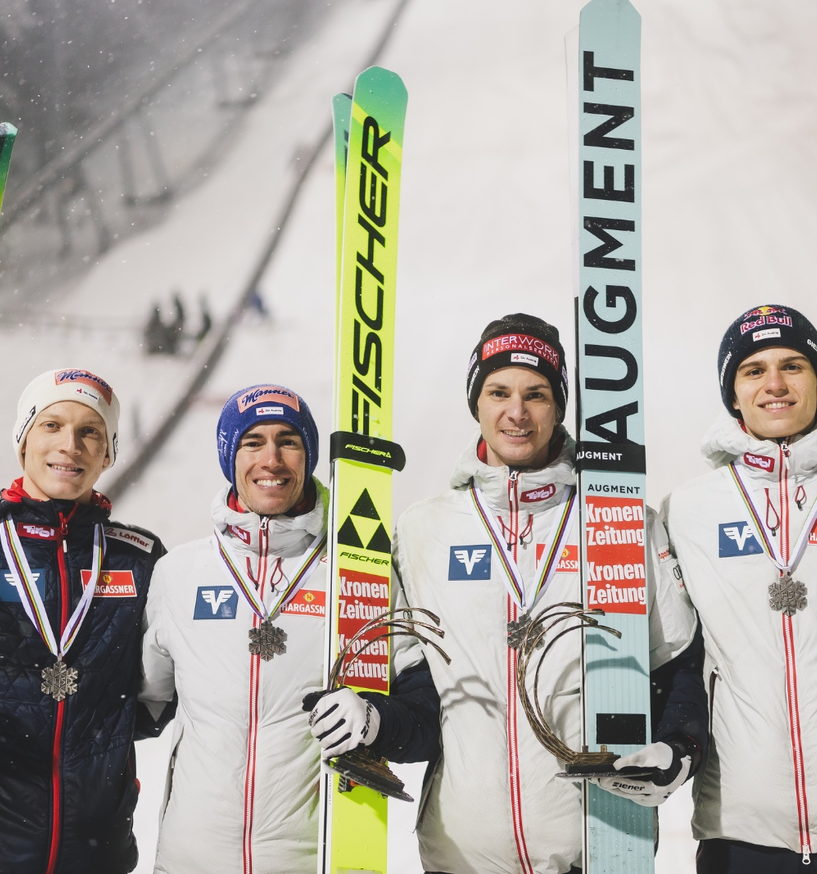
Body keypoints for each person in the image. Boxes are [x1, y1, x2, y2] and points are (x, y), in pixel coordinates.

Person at [307, 314, 707, 874]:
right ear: (476, 403)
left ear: (559, 407)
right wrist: (373, 719)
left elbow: (677, 663)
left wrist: (678, 748)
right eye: (498, 392)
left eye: (535, 394)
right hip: (461, 856)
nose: (516, 413)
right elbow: (425, 704)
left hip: (594, 850)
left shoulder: (620, 522)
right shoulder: (424, 531)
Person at [141, 383, 436, 874]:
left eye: (289, 441)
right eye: (253, 442)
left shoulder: (359, 571)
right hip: (188, 859)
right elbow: (139, 706)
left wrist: (376, 720)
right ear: (230, 457)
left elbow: (425, 717)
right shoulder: (178, 574)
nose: (271, 459)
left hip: (310, 860)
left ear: (309, 455)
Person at [662, 304, 817, 873]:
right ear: (733, 392)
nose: (775, 384)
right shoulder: (687, 511)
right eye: (754, 370)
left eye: (793, 365)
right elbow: (678, 656)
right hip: (742, 830)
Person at [0, 368, 167, 873]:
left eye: (89, 431)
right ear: (23, 440)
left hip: (98, 849)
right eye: (51, 425)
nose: (69, 446)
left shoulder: (140, 557)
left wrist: (112, 727)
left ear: (107, 453)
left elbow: (175, 675)